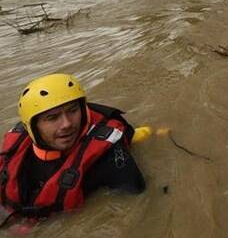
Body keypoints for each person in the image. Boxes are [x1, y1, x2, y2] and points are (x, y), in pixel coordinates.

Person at [0, 73, 145, 228]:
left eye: (73, 110)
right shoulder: (16, 150)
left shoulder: (108, 156)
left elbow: (138, 202)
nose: (67, 124)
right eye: (52, 118)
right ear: (32, 127)